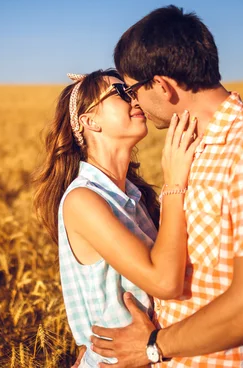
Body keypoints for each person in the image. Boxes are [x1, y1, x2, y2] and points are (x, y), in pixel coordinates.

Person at [88, 6, 243, 367]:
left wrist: (153, 346)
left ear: (162, 86)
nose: (134, 102)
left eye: (132, 90)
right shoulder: (192, 149)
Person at [32, 68, 200, 367]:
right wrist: (174, 184)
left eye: (131, 90)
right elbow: (165, 282)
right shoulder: (83, 200)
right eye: (120, 93)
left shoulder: (134, 195)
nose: (133, 97)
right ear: (89, 121)